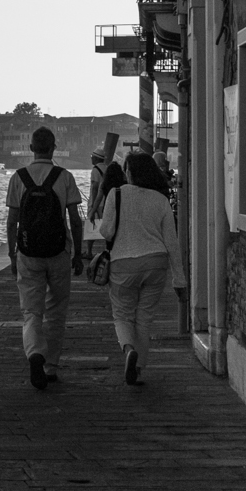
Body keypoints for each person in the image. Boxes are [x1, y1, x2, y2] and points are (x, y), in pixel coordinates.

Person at [6, 126, 83, 390]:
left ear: (31, 148)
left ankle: (34, 352)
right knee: (56, 312)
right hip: (59, 251)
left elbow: (12, 222)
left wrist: (12, 255)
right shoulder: (65, 177)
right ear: (53, 148)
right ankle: (50, 367)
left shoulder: (18, 177)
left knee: (31, 311)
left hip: (28, 253)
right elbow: (75, 220)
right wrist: (78, 254)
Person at [100, 153, 186, 385]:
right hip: (156, 263)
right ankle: (137, 369)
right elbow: (172, 242)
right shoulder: (161, 200)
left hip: (123, 263)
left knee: (122, 314)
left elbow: (106, 231)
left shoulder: (116, 194)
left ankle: (129, 350)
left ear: (129, 172)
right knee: (144, 318)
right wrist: (179, 280)